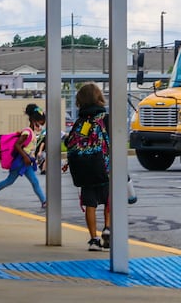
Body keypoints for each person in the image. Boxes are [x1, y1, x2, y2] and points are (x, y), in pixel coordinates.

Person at [63, 83, 111, 251]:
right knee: (108, 201)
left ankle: (94, 239)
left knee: (90, 203)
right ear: (99, 97)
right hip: (104, 167)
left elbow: (71, 142)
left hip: (85, 169)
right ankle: (107, 228)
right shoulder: (105, 118)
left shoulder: (81, 121)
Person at [0, 104, 47, 209]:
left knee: (34, 181)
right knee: (10, 181)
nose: (42, 125)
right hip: (21, 162)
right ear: (34, 120)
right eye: (41, 122)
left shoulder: (31, 132)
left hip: (26, 162)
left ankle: (44, 201)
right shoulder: (27, 132)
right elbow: (17, 145)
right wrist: (25, 157)